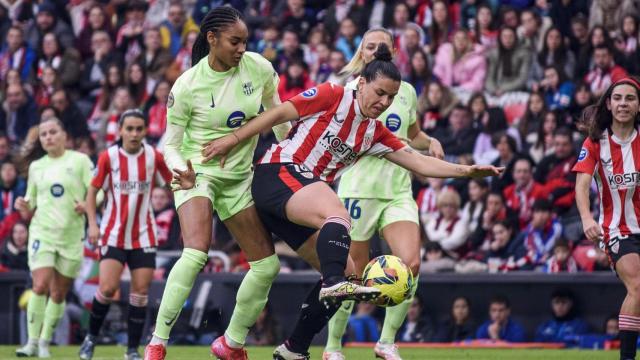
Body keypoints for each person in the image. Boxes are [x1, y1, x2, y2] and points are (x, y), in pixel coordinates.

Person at [201, 43, 502, 360]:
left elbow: (421, 163)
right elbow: (279, 112)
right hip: (277, 173)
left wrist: (466, 171)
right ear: (361, 84)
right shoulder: (333, 95)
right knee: (338, 216)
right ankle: (332, 283)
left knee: (350, 272)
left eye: (390, 98)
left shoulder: (374, 133)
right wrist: (233, 139)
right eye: (379, 93)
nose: (384, 103)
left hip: (299, 199)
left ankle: (294, 349)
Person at [143, 7, 291, 360]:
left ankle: (232, 342)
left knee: (267, 267)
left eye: (244, 41)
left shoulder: (259, 67)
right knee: (196, 252)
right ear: (212, 39)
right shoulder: (187, 85)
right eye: (234, 41)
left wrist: (291, 154)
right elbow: (170, 144)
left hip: (240, 178)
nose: (242, 48)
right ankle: (157, 343)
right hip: (198, 173)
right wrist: (182, 169)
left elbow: (280, 113)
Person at [320, 27, 444, 360]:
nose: (376, 50)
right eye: (369, 46)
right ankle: (333, 348)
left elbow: (411, 133)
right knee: (353, 276)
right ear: (360, 53)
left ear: (392, 51)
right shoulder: (346, 92)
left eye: (382, 46)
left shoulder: (406, 92)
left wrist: (428, 141)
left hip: (397, 191)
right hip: (358, 192)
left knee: (412, 264)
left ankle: (386, 342)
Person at [78, 109, 172, 360]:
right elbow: (92, 191)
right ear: (120, 130)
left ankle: (131, 349)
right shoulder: (108, 157)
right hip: (112, 233)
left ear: (145, 131)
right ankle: (90, 339)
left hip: (144, 235)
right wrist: (93, 225)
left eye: (138, 129)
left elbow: (172, 183)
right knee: (107, 289)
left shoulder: (154, 156)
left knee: (140, 293)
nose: (133, 133)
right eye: (129, 128)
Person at [14, 117, 94, 357]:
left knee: (58, 293)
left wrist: (87, 204)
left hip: (71, 235)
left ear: (63, 135)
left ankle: (46, 342)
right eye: (44, 134)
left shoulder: (80, 161)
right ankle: (31, 343)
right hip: (43, 232)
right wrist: (23, 205)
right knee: (39, 286)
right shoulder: (37, 166)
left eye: (52, 132)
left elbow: (96, 193)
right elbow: (31, 201)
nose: (48, 137)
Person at [574, 76, 640, 360]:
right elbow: (581, 185)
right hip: (617, 230)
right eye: (618, 98)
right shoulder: (595, 143)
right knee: (638, 285)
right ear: (609, 105)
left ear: (638, 106)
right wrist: (588, 219)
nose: (623, 103)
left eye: (630, 98)